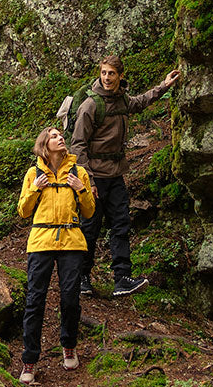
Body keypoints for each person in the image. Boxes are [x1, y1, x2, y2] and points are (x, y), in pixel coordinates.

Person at [71, 55, 181, 297]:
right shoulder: (90, 105)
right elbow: (77, 145)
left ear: (120, 76)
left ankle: (122, 279)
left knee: (121, 225)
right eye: (104, 73)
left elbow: (140, 102)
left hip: (116, 175)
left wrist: (164, 86)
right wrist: (87, 180)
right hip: (95, 178)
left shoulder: (121, 100)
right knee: (90, 227)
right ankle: (81, 278)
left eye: (111, 73)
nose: (107, 78)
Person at [16, 126, 96, 384]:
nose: (60, 138)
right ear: (44, 144)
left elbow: (90, 212)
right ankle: (29, 361)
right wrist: (35, 189)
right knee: (35, 300)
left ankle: (69, 346)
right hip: (40, 242)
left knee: (70, 298)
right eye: (53, 136)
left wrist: (81, 189)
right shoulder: (33, 173)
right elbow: (23, 211)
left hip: (72, 241)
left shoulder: (79, 172)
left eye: (61, 136)